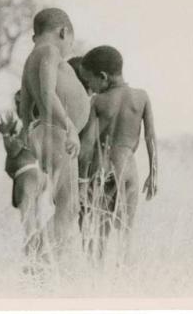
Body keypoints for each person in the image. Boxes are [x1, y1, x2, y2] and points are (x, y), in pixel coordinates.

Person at [19, 8, 90, 257]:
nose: (69, 46)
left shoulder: (31, 57)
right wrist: (70, 128)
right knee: (69, 207)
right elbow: (48, 95)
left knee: (63, 205)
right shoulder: (50, 51)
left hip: (44, 133)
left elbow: (25, 103)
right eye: (70, 41)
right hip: (57, 134)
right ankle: (40, 259)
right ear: (63, 32)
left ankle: (41, 256)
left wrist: (27, 130)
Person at [78, 45, 157, 259]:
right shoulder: (141, 97)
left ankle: (96, 282)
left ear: (103, 77)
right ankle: (124, 283)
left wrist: (82, 182)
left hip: (103, 171)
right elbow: (150, 136)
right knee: (126, 234)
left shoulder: (98, 101)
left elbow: (86, 145)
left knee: (98, 236)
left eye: (90, 81)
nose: (90, 87)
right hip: (130, 169)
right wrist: (153, 173)